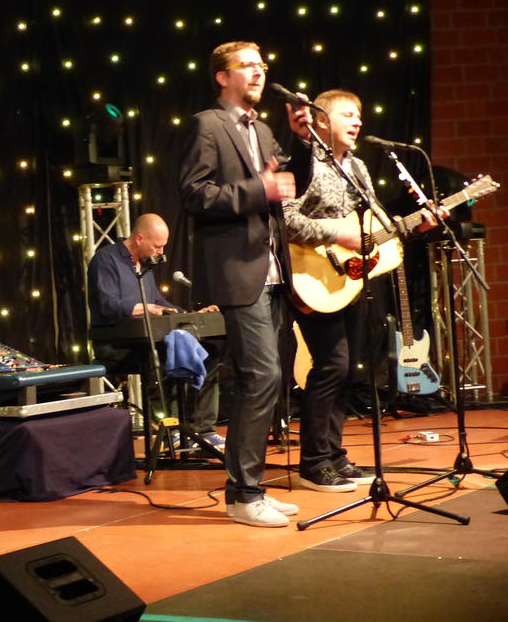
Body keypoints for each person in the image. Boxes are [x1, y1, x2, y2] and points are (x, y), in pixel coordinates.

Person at [282, 89, 444, 492]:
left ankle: (334, 456)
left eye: (359, 115)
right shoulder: (302, 163)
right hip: (311, 276)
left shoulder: (356, 166)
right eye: (348, 115)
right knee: (331, 366)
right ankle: (313, 463)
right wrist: (337, 234)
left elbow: (379, 227)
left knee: (347, 367)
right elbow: (285, 220)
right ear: (321, 121)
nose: (357, 122)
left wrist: (416, 225)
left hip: (349, 281)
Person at [178, 40, 310, 528]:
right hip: (238, 270)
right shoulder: (207, 125)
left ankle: (249, 490)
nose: (259, 72)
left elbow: (292, 185)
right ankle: (244, 494)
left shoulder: (264, 129)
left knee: (270, 377)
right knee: (262, 375)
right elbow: (194, 194)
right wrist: (259, 188)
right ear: (222, 76)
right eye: (248, 65)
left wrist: (301, 143)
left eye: (262, 65)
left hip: (272, 268)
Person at [87, 213, 225, 451]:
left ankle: (203, 429)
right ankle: (170, 429)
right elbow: (108, 305)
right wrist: (145, 308)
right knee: (162, 354)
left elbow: (159, 303)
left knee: (207, 352)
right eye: (157, 246)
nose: (161, 252)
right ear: (140, 238)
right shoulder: (106, 259)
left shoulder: (145, 265)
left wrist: (189, 314)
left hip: (148, 340)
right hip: (117, 344)